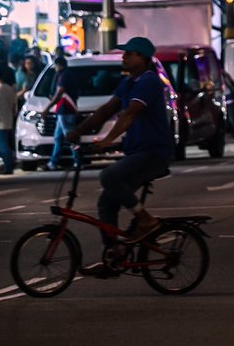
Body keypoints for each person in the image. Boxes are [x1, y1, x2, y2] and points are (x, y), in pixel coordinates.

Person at [66, 36, 173, 278]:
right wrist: (79, 131)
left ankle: (145, 219)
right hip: (137, 152)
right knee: (106, 202)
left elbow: (129, 115)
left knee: (109, 176)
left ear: (143, 58)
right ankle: (115, 255)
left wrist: (107, 141)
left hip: (153, 153)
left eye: (129, 54)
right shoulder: (128, 83)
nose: (124, 57)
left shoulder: (149, 82)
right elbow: (107, 110)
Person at [42, 54, 80, 171]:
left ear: (59, 65)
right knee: (58, 138)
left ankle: (78, 160)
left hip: (65, 110)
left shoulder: (64, 76)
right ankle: (53, 162)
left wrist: (48, 108)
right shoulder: (69, 74)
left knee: (70, 137)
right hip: (64, 110)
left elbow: (60, 93)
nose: (54, 68)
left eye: (55, 65)